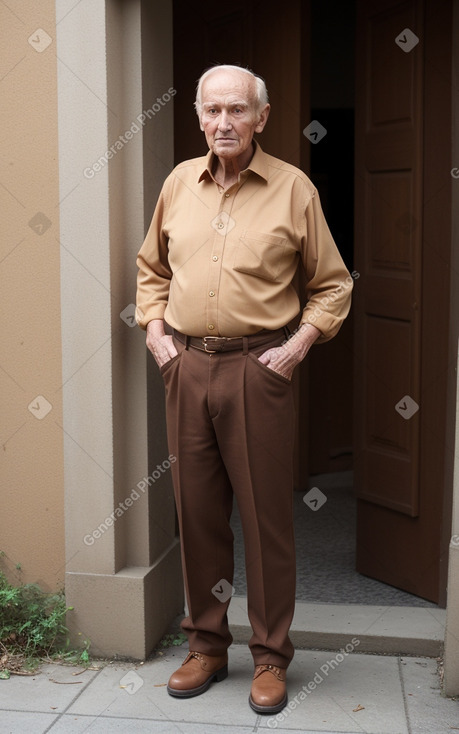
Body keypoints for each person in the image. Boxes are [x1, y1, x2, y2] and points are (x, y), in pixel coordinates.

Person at [136, 64, 353, 715]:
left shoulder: (294, 190)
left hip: (259, 368)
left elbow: (333, 283)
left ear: (261, 117)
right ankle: (205, 643)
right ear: (198, 116)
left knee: (264, 520)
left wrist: (296, 346)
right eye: (212, 110)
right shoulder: (179, 183)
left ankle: (270, 657)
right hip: (186, 365)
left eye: (237, 110)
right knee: (196, 513)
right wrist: (155, 333)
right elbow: (151, 267)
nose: (223, 122)